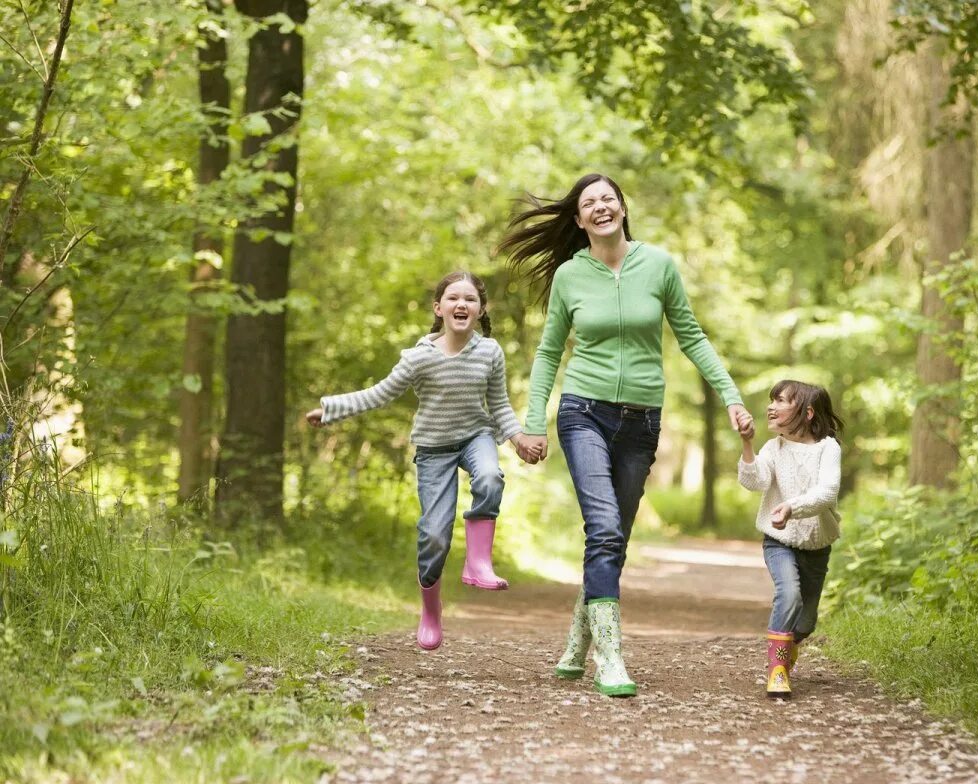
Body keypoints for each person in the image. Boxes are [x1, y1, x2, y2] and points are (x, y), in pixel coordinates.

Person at [498, 173, 753, 697]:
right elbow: (549, 352)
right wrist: (532, 422)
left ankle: (577, 639)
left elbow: (691, 335)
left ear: (622, 208)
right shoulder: (571, 275)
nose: (599, 208)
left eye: (607, 199)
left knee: (613, 539)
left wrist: (730, 395)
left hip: (642, 420)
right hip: (582, 411)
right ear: (578, 219)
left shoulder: (658, 265)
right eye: (588, 203)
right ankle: (610, 659)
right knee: (606, 528)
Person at [305, 272, 543, 651]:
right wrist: (330, 410)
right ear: (439, 308)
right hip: (433, 448)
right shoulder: (419, 358)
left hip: (475, 437)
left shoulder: (490, 352)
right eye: (453, 298)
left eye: (470, 299)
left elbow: (498, 405)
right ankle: (431, 610)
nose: (461, 304)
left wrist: (517, 440)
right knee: (434, 535)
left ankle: (477, 563)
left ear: (480, 310)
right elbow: (378, 394)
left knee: (490, 477)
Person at [737, 379, 844, 699]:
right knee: (790, 594)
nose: (771, 406)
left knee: (806, 622)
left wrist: (792, 507)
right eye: (772, 400)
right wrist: (747, 445)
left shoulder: (828, 448)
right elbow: (754, 482)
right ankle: (778, 670)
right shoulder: (774, 448)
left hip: (816, 544)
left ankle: (787, 645)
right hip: (778, 540)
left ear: (807, 412)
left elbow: (827, 492)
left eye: (781, 400)